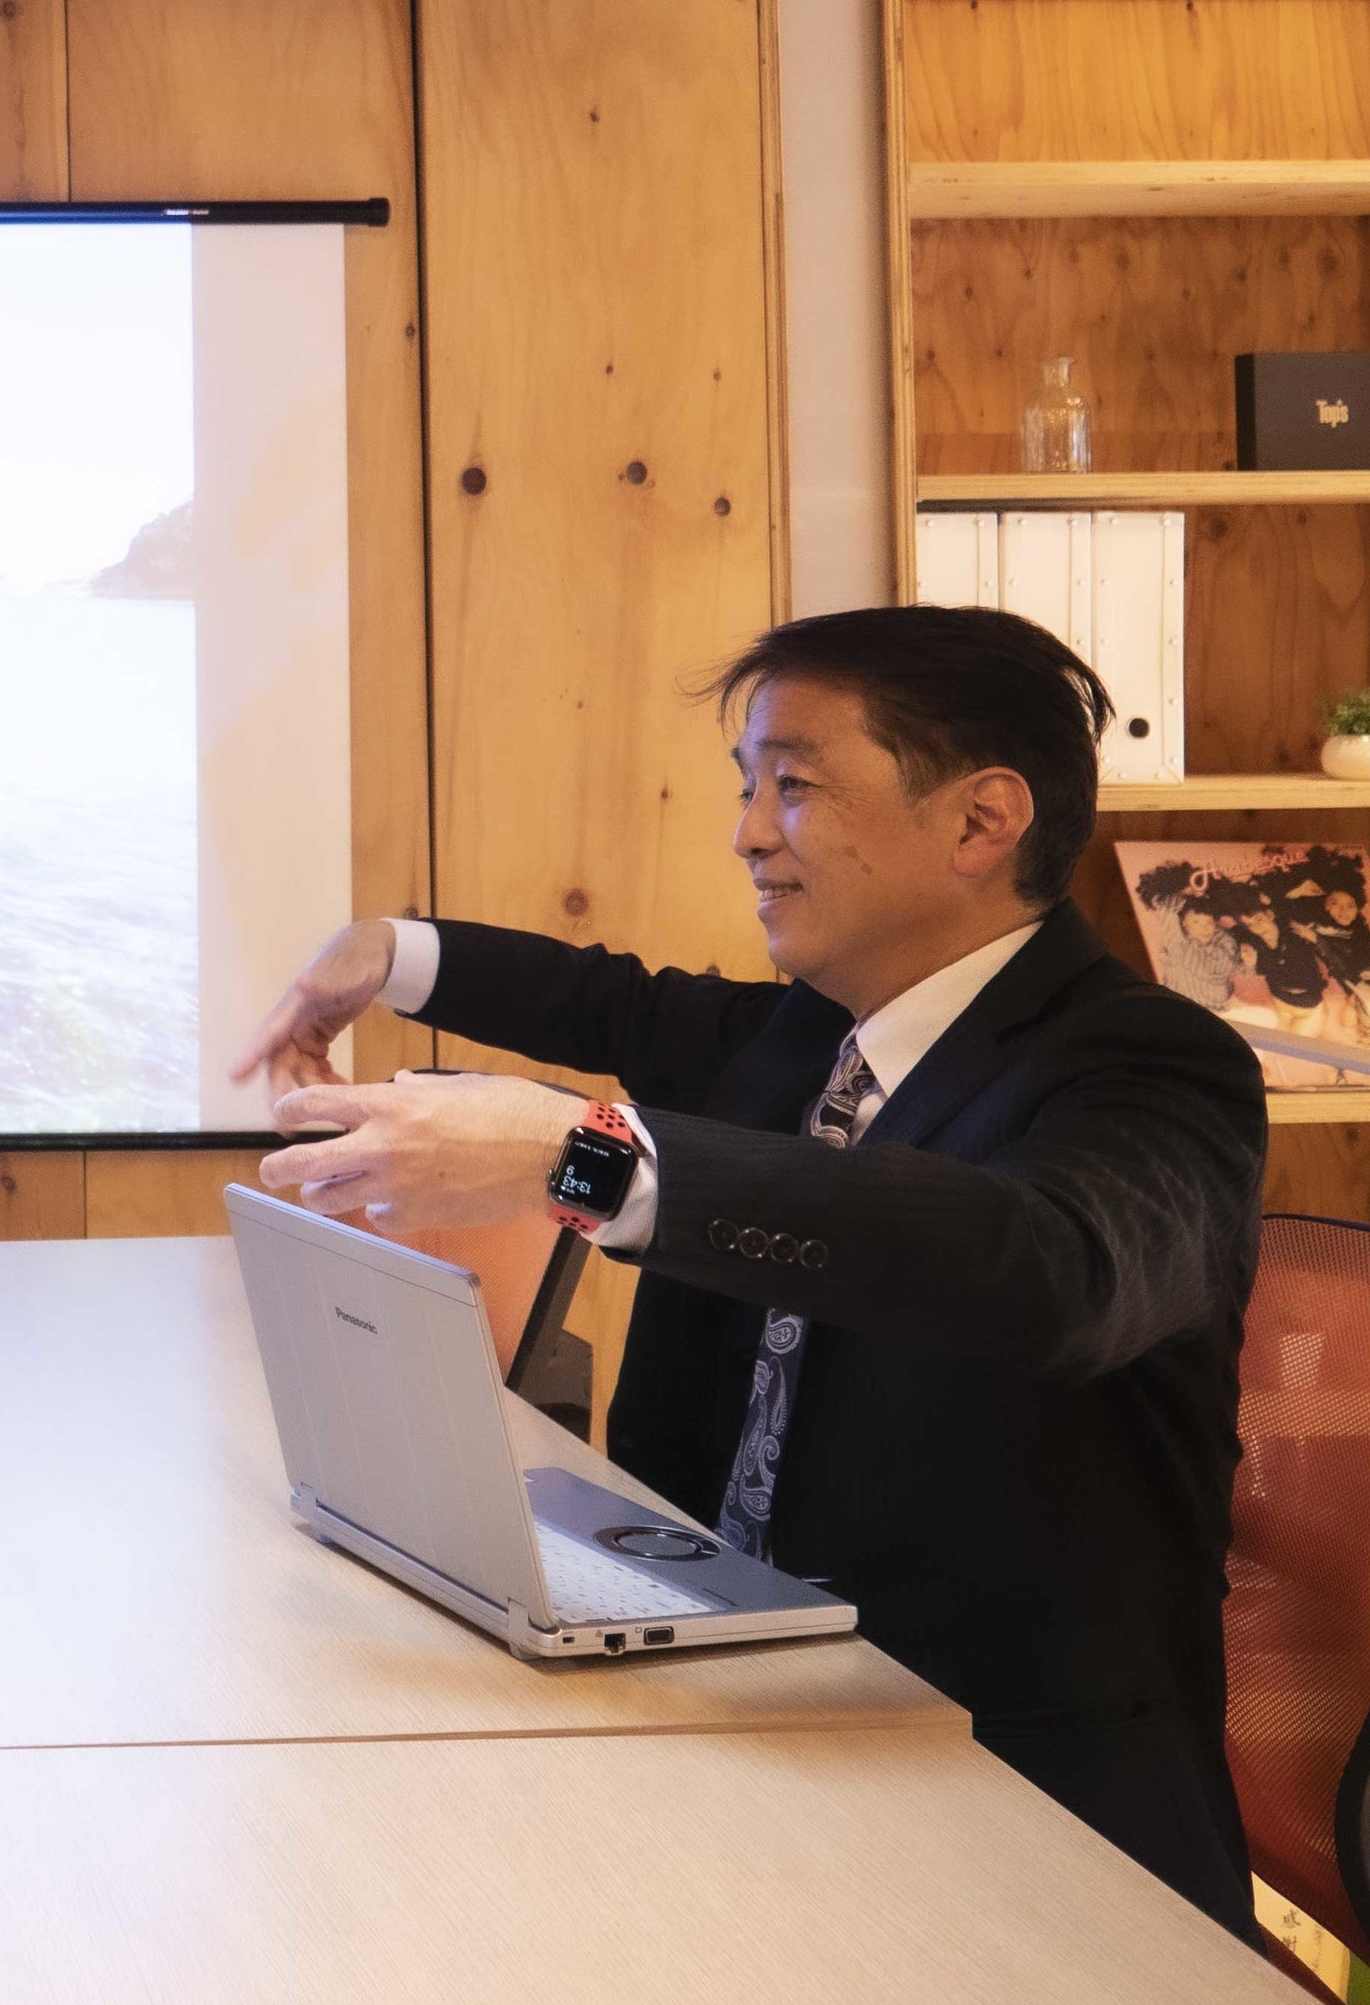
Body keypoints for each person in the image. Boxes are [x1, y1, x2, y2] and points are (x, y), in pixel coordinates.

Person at [235, 604, 1264, 1927]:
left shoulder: (1156, 1066)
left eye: (794, 785)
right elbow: (621, 1002)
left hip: (1008, 1798)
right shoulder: (814, 1036)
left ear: (981, 820)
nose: (748, 833)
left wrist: (581, 1160)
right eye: (745, 786)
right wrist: (390, 952)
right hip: (732, 1702)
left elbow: (1051, 1266)